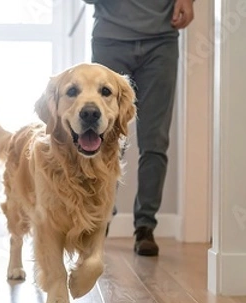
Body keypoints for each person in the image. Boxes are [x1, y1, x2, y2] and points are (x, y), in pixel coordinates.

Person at [84, 0, 195, 256]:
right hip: (110, 38)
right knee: (102, 136)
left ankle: (145, 226)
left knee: (155, 139)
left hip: (161, 39)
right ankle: (101, 219)